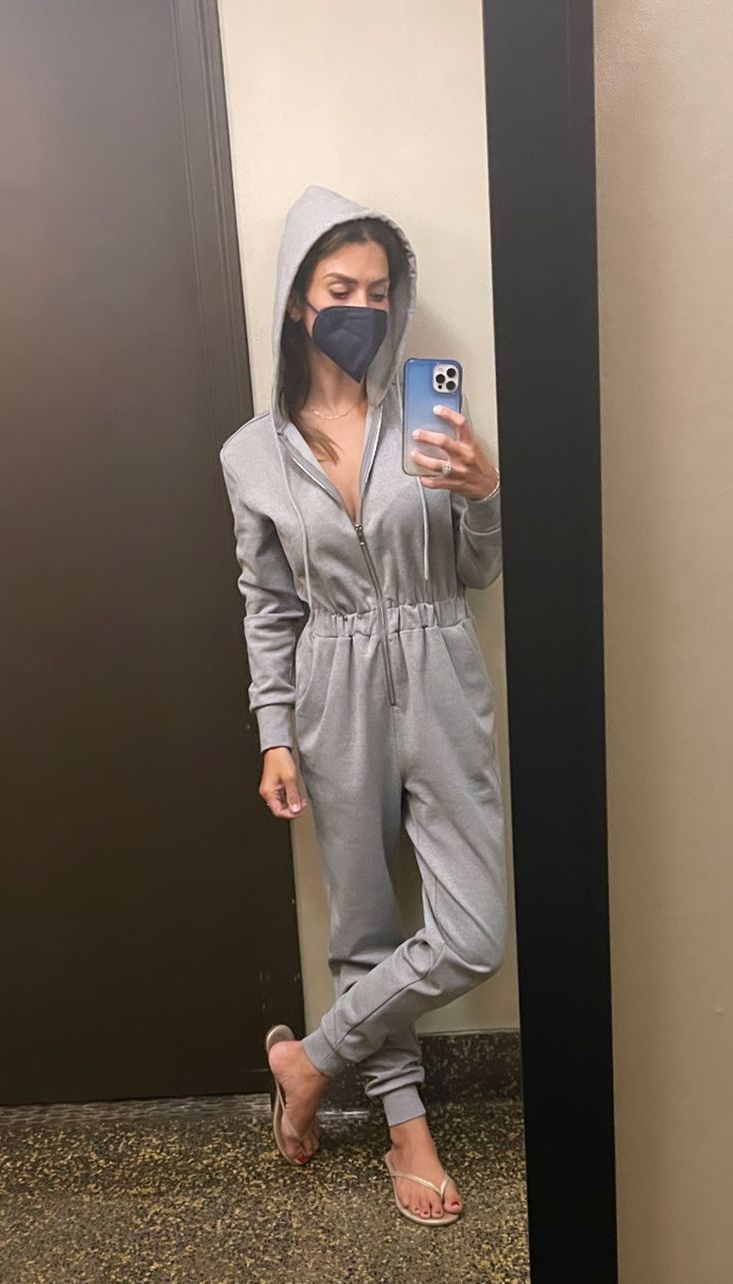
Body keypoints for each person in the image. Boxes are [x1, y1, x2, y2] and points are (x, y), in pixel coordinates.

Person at [220, 184, 506, 1225]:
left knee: (475, 930)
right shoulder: (252, 455)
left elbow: (476, 571)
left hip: (438, 663)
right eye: (342, 288)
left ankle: (309, 1061)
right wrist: (275, 733)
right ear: (299, 300)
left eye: (381, 292)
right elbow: (267, 606)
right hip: (331, 683)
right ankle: (405, 1127)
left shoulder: (426, 416)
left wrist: (483, 493)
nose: (364, 309)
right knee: (364, 921)